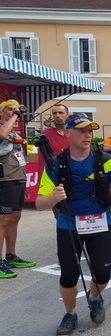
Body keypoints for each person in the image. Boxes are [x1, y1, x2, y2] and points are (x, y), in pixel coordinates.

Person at [35, 114, 111, 336]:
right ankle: (70, 313)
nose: (87, 135)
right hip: (68, 225)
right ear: (68, 133)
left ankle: (95, 297)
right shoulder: (57, 164)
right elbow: (40, 202)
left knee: (103, 274)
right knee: (68, 275)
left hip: (100, 222)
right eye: (81, 131)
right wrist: (55, 198)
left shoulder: (104, 159)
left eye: (90, 131)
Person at [0, 99, 35, 279]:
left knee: (15, 218)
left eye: (16, 109)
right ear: (1, 113)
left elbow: (20, 157)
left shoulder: (13, 131)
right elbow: (3, 134)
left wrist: (25, 182)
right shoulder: (4, 128)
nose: (15, 112)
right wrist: (15, 115)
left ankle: (11, 255)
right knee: (3, 220)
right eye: (10, 109)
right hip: (4, 179)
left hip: (17, 178)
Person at [39, 104, 71, 180]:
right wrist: (41, 179)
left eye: (61, 113)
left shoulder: (75, 133)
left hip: (73, 176)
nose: (57, 115)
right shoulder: (45, 134)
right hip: (53, 176)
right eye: (54, 113)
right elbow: (41, 159)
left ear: (67, 115)